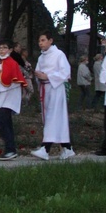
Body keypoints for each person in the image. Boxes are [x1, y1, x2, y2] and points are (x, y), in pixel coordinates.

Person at [31, 31, 75, 161]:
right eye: (39, 41)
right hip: (46, 89)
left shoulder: (59, 54)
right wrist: (38, 76)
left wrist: (48, 76)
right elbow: (39, 72)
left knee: (52, 117)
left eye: (43, 40)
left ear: (50, 41)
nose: (40, 43)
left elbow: (65, 72)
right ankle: (67, 148)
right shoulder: (41, 57)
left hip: (56, 89)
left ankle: (45, 148)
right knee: (55, 119)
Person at [0, 39, 28, 160]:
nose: (1, 50)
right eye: (0, 48)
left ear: (10, 50)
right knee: (7, 123)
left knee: (1, 121)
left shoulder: (12, 63)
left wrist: (0, 74)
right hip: (2, 97)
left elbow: (14, 79)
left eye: (4, 47)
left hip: (10, 97)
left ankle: (10, 149)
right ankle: (11, 149)